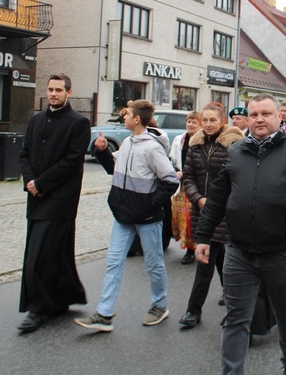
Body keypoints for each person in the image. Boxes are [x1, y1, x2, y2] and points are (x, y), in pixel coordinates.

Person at [194, 93, 286, 374]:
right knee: (235, 319)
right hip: (239, 252)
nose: (259, 119)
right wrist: (203, 237)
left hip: (283, 252)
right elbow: (217, 198)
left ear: (278, 116)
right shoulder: (236, 152)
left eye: (266, 114)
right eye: (254, 114)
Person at [74, 99, 178, 332]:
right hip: (123, 215)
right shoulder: (129, 142)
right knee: (113, 262)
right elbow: (114, 168)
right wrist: (101, 151)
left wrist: (149, 204)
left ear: (137, 119)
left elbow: (171, 180)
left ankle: (159, 305)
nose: (124, 117)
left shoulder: (151, 148)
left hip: (147, 218)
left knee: (153, 264)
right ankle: (104, 313)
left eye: (127, 114)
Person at [17, 73, 91, 333]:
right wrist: (30, 181)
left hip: (60, 200)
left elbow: (71, 162)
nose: (53, 94)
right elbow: (24, 154)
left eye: (58, 90)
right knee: (55, 254)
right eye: (50, 89)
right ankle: (61, 299)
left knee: (39, 256)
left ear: (68, 93)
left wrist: (41, 184)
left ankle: (38, 308)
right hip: (36, 198)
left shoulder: (79, 122)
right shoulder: (36, 119)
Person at [179, 103, 245, 329]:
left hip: (224, 212)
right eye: (204, 120)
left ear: (222, 121)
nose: (208, 125)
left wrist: (220, 202)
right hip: (201, 210)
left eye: (212, 120)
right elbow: (187, 176)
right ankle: (221, 298)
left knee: (210, 261)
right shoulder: (194, 145)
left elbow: (238, 179)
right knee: (214, 257)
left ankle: (193, 310)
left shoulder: (235, 145)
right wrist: (197, 198)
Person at [169, 111, 202, 265]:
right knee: (181, 218)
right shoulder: (179, 139)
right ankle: (185, 244)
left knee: (191, 218)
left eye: (194, 122)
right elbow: (173, 159)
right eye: (188, 121)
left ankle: (192, 250)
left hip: (196, 186)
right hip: (181, 186)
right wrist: (176, 170)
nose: (190, 124)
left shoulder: (202, 140)